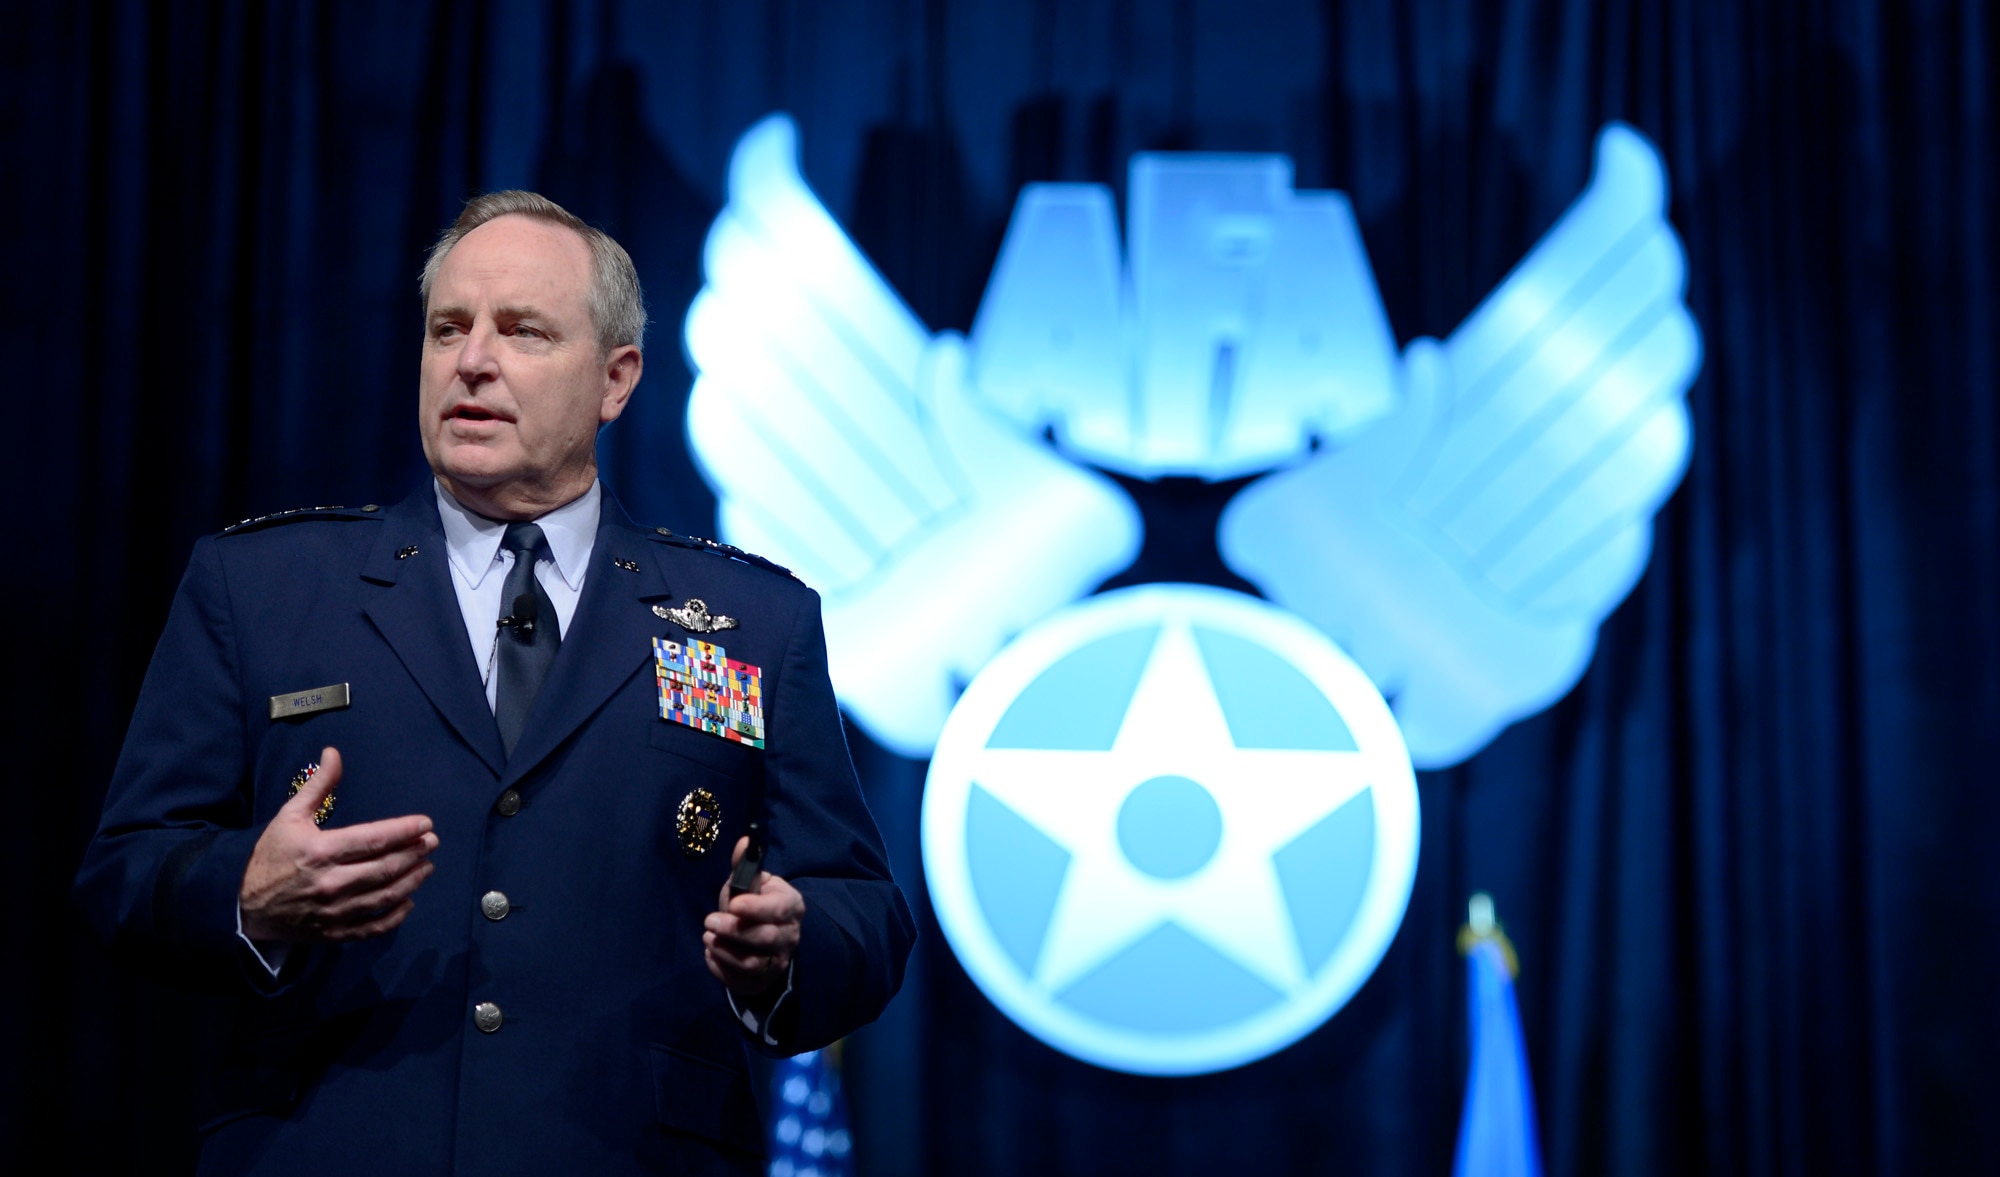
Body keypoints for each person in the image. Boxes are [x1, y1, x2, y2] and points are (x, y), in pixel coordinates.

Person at [74, 190, 914, 1175]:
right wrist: (250, 895)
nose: (472, 360)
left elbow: (860, 904)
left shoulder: (755, 621)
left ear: (615, 378)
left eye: (522, 331)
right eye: (447, 329)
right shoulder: (260, 587)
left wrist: (792, 940)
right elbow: (125, 873)